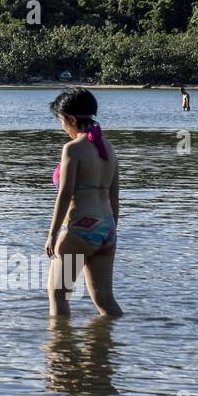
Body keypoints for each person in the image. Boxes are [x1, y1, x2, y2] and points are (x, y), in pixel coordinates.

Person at [45, 88, 123, 317]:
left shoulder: (72, 149)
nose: (62, 126)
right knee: (106, 301)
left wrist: (52, 233)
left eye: (61, 120)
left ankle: (59, 350)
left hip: (79, 228)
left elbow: (66, 193)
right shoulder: (109, 149)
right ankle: (114, 345)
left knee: (58, 297)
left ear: (69, 118)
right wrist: (110, 231)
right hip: (106, 229)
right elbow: (114, 196)